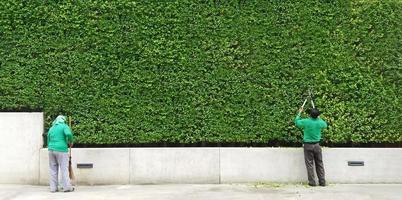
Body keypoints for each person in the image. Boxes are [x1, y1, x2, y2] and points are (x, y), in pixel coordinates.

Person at [295, 108, 328, 186]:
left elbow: (297, 122)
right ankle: (322, 182)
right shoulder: (320, 122)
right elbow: (325, 125)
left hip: (308, 145)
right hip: (317, 145)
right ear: (317, 115)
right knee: (319, 164)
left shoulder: (306, 121)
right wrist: (319, 118)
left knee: (309, 164)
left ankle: (312, 182)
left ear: (310, 115)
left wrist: (299, 112)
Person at [47, 115, 74, 192]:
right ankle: (67, 187)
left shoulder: (51, 128)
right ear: (63, 120)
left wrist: (50, 147)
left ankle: (53, 188)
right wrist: (71, 141)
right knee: (64, 168)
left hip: (51, 150)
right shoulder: (64, 126)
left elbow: (48, 138)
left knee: (53, 169)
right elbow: (68, 134)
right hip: (61, 149)